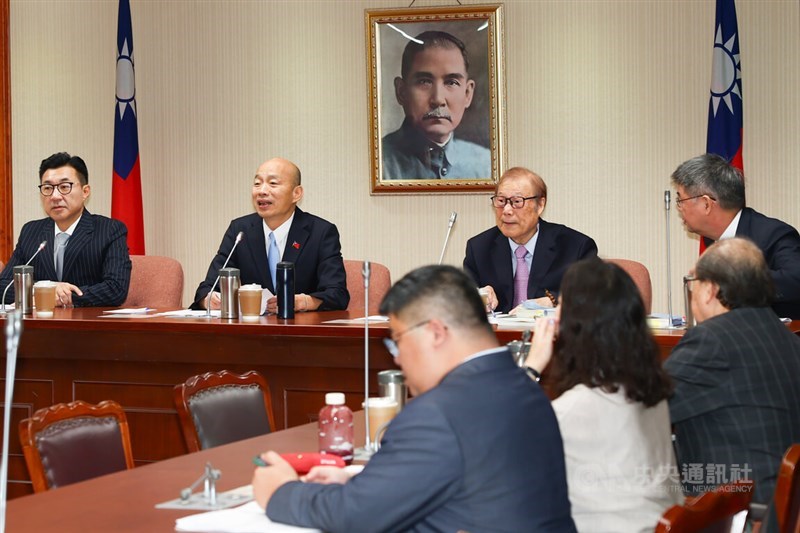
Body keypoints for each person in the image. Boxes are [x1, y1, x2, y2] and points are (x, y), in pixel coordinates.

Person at [252, 265, 576, 532]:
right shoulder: (523, 386)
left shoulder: (437, 412)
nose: (396, 358)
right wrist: (363, 482)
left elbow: (354, 517)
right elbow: (460, 479)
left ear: (435, 332)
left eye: (396, 342)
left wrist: (281, 491)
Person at [525, 257, 682, 532]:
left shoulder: (571, 410)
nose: (555, 314)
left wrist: (532, 367)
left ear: (574, 325)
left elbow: (498, 446)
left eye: (561, 305)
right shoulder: (651, 391)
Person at [665, 238, 800, 504]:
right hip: (782, 503)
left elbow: (645, 405)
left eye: (694, 282)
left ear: (709, 290)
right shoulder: (788, 337)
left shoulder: (711, 340)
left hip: (733, 508)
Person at [191, 157, 348, 313]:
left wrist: (303, 302)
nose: (262, 191)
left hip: (301, 331)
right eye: (257, 184)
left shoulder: (320, 232)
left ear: (296, 193)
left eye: (273, 183)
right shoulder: (240, 230)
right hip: (251, 332)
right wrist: (209, 299)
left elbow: (337, 294)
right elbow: (208, 287)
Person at [671, 153, 800, 318]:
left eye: (681, 200)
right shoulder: (713, 240)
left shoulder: (773, 234)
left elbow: (795, 281)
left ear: (706, 204)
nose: (679, 208)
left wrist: (731, 279)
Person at [0, 152, 131, 307]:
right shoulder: (31, 231)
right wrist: (45, 289)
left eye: (64, 187)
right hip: (39, 329)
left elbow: (115, 289)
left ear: (85, 192)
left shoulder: (109, 230)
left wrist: (59, 297)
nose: (55, 196)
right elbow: (4, 286)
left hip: (87, 327)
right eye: (48, 188)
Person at [463, 167, 598, 313]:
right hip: (498, 335)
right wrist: (479, 295)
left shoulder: (575, 246)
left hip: (554, 334)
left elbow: (597, 295)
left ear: (540, 205)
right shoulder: (479, 248)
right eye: (501, 201)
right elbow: (461, 302)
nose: (507, 210)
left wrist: (553, 301)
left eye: (517, 201)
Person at [381, 30, 490, 180]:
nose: (438, 99)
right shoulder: (378, 164)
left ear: (467, 94)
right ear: (401, 92)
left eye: (451, 82)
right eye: (424, 81)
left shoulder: (485, 165)